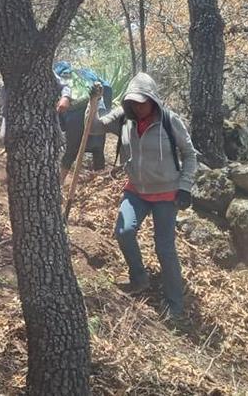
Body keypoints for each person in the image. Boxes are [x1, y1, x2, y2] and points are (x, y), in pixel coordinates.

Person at [88, 73, 197, 318]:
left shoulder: (170, 121)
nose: (138, 107)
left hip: (166, 193)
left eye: (142, 102)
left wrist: (185, 186)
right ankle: (139, 278)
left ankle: (175, 306)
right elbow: (94, 127)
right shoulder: (124, 118)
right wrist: (93, 104)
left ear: (153, 100)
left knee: (164, 248)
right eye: (133, 102)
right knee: (124, 231)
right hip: (136, 190)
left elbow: (190, 155)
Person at [54, 61, 112, 176]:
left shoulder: (59, 79)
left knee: (71, 151)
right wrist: (106, 110)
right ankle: (98, 180)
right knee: (98, 149)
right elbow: (107, 87)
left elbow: (60, 107)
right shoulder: (86, 73)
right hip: (97, 107)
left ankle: (60, 182)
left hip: (75, 113)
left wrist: (63, 125)